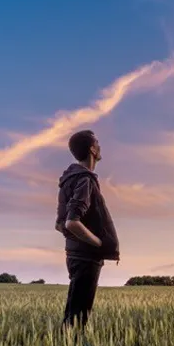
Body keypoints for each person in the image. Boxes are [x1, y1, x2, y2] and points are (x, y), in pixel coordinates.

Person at [56, 129, 119, 331]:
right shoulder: (85, 179)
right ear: (92, 149)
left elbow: (59, 224)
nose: (100, 147)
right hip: (86, 256)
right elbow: (71, 222)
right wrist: (99, 243)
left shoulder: (69, 180)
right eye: (97, 143)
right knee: (78, 318)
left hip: (74, 254)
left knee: (74, 312)